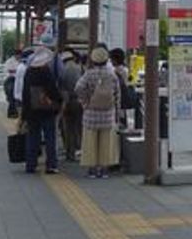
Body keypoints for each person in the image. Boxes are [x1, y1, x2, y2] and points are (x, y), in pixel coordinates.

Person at [75, 46, 120, 178]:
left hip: (91, 114)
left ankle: (92, 169)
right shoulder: (112, 75)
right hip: (107, 115)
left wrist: (85, 101)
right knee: (107, 142)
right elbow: (118, 95)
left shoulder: (89, 74)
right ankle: (104, 169)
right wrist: (116, 111)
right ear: (106, 60)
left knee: (90, 142)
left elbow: (78, 88)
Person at [20, 46, 63, 174]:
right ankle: (51, 165)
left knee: (32, 137)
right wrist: (59, 101)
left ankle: (30, 164)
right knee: (50, 137)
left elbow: (25, 94)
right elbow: (53, 91)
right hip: (47, 110)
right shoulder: (46, 71)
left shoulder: (29, 72)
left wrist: (24, 113)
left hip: (32, 111)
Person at [58, 49, 84, 162]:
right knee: (80, 127)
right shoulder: (79, 68)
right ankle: (82, 151)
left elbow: (61, 87)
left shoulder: (62, 69)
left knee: (68, 129)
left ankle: (70, 154)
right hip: (79, 101)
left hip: (67, 101)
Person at [109, 48, 136, 128]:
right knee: (122, 116)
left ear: (116, 59)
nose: (111, 61)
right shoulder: (125, 70)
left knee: (120, 118)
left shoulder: (115, 71)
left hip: (119, 97)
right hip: (124, 98)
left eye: (111, 59)